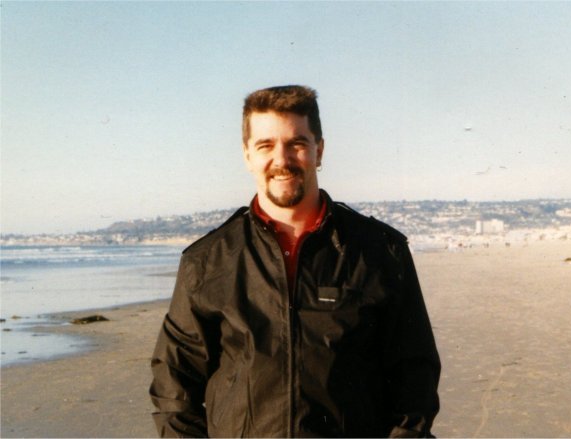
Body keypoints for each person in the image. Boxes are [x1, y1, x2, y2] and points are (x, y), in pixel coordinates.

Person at [150, 85, 441, 438]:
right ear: (247, 155)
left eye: (296, 144)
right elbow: (174, 386)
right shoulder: (207, 261)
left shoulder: (379, 251)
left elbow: (415, 376)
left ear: (318, 150)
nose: (282, 160)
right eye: (265, 145)